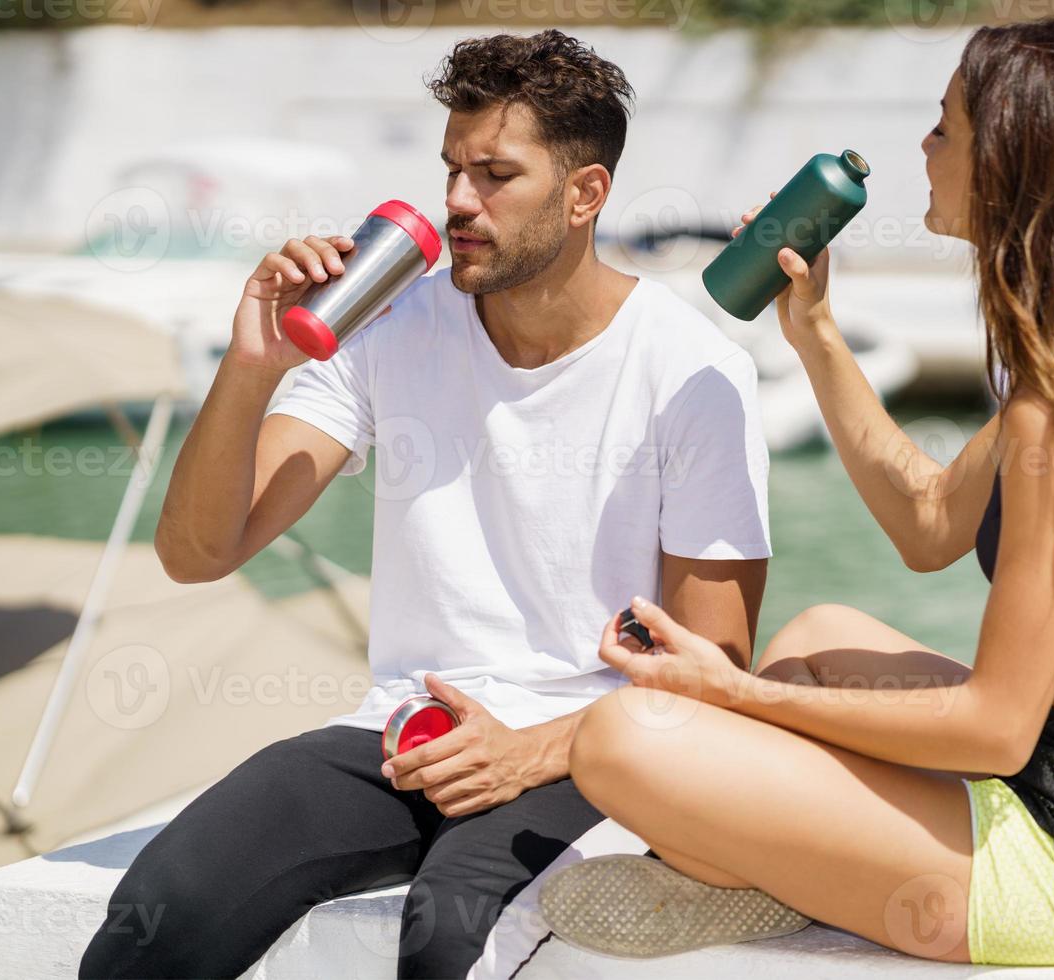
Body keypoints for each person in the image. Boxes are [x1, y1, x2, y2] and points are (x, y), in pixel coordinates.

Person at [543, 18, 1054, 968]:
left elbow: (996, 731)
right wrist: (817, 334)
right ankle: (774, 866)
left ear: (1008, 165)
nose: (925, 148)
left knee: (620, 739)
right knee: (813, 641)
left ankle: (767, 878)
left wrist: (730, 695)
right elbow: (930, 525)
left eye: (945, 129)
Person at [80, 30, 772, 979]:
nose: (456, 203)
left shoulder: (695, 373)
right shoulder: (387, 327)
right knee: (158, 916)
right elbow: (200, 551)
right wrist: (251, 369)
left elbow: (716, 673)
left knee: (450, 933)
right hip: (403, 733)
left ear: (586, 195)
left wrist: (534, 753)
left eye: (495, 175)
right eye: (451, 170)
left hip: (595, 755)